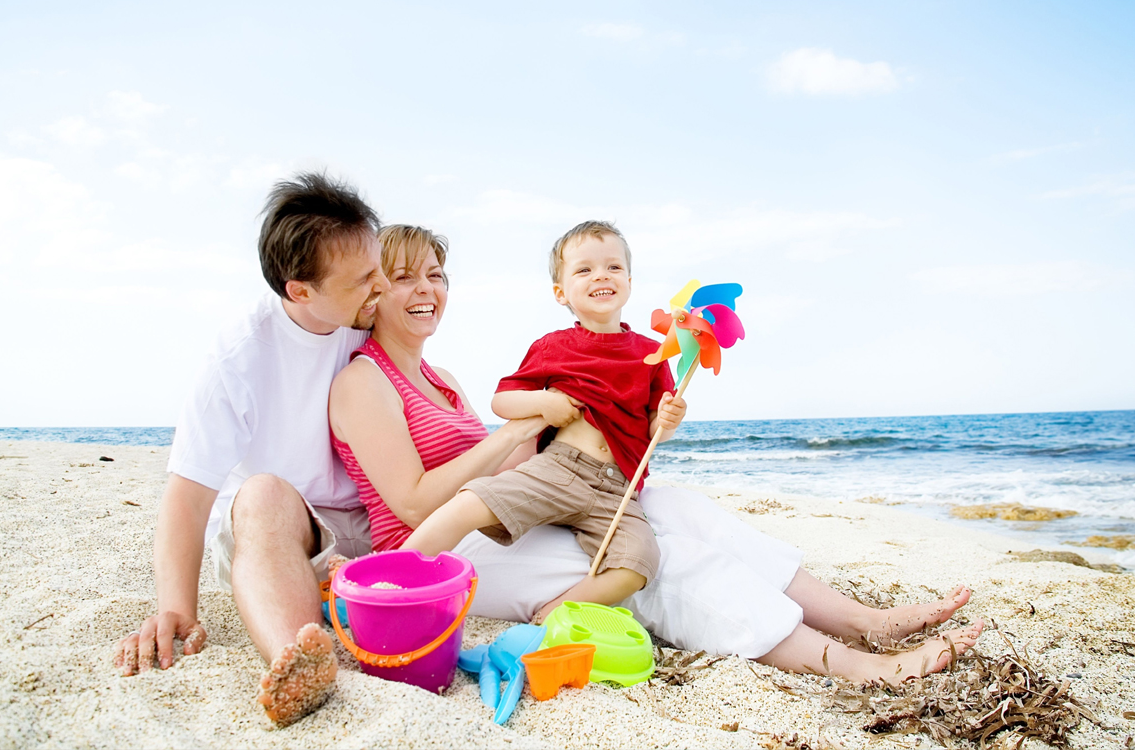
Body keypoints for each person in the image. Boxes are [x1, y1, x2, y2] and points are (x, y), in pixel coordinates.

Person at [330, 222, 985, 685]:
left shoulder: (441, 380)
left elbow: (521, 456)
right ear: (371, 291)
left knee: (683, 509)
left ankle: (861, 620)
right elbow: (418, 500)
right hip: (433, 560)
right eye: (403, 276)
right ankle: (854, 666)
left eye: (437, 275)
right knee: (668, 561)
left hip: (551, 498)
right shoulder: (366, 379)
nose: (426, 288)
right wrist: (515, 435)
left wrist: (572, 449)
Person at [112, 172, 388, 727]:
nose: (382, 286)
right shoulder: (241, 352)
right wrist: (175, 610)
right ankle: (301, 660)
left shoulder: (369, 318)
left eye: (379, 266)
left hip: (373, 524)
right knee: (260, 493)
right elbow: (188, 496)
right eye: (362, 279)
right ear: (300, 290)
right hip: (282, 533)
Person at [393, 221, 683, 608]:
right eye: (584, 269)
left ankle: (550, 616)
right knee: (467, 504)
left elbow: (653, 432)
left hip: (619, 487)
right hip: (558, 470)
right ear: (560, 293)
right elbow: (503, 401)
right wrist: (544, 404)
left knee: (638, 563)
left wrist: (668, 420)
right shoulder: (554, 346)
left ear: (629, 280)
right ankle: (388, 578)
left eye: (613, 267)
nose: (601, 275)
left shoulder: (653, 352)